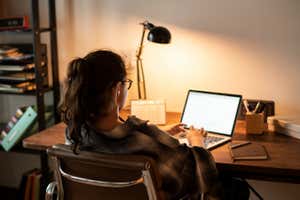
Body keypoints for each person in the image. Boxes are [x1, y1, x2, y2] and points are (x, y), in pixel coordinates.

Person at [59, 50, 249, 200]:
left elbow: (120, 142)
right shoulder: (145, 139)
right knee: (237, 187)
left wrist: (160, 134)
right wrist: (197, 141)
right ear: (117, 90)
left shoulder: (75, 132)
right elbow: (195, 176)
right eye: (126, 83)